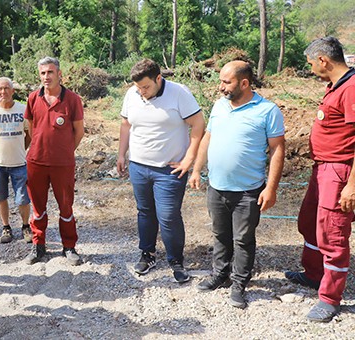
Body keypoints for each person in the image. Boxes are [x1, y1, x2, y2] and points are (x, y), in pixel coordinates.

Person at [190, 61, 285, 309]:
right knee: (220, 234)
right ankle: (220, 275)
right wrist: (197, 169)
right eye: (220, 81)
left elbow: (277, 149)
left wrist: (271, 188)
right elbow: (207, 138)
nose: (220, 87)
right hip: (217, 187)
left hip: (248, 191)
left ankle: (239, 283)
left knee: (243, 239)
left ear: (244, 83)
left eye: (226, 82)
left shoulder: (267, 110)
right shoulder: (219, 106)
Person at [285, 36, 355, 322]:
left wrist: (352, 185)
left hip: (338, 172)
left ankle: (330, 298)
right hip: (321, 169)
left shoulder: (351, 89)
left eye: (312, 62)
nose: (311, 67)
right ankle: (314, 274)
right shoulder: (335, 87)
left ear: (324, 60)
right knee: (309, 222)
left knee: (333, 234)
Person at [117, 58, 205, 283]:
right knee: (144, 212)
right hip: (139, 166)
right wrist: (121, 155)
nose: (142, 92)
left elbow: (198, 124)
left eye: (146, 87)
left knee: (168, 216)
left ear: (159, 78)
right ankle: (148, 254)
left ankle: (176, 260)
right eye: (138, 88)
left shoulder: (179, 93)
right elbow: (126, 125)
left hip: (169, 170)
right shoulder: (132, 94)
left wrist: (189, 160)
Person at [24, 56, 85, 266]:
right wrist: (41, 146)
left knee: (66, 206)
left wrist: (65, 150)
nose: (46, 77)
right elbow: (31, 126)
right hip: (36, 162)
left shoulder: (73, 99)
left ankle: (69, 246)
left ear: (59, 74)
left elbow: (79, 131)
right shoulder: (33, 98)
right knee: (38, 207)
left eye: (50, 72)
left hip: (63, 164)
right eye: (42, 73)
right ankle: (38, 245)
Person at [0, 77, 32, 244]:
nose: (3, 92)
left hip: (19, 162)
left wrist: (21, 149)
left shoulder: (23, 109)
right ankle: (6, 227)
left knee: (23, 198)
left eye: (6, 88)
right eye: (0, 89)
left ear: (13, 91)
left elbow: (29, 134)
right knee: (0, 197)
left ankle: (25, 226)